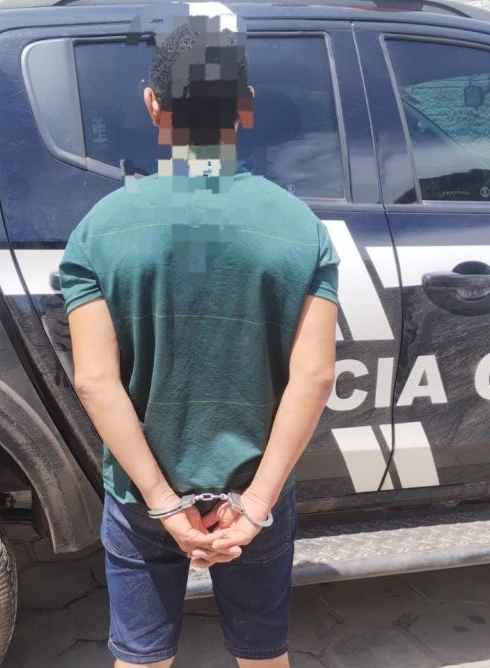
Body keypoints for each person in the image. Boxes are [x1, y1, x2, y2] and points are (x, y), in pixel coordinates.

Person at [58, 3, 340, 666]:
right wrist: (257, 504)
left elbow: (94, 381)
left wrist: (163, 503)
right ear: (246, 107)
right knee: (264, 655)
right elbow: (315, 376)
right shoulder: (302, 229)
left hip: (141, 497)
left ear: (153, 106)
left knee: (141, 658)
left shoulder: (98, 231)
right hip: (253, 493)